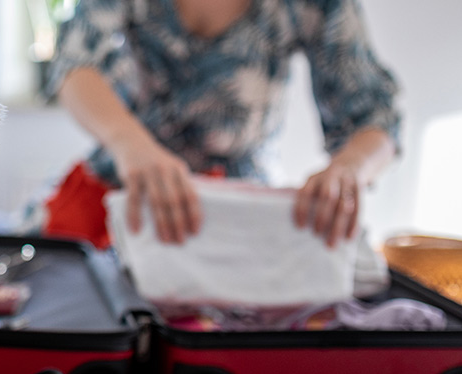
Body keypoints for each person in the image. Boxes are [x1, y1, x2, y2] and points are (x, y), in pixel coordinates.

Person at [42, 0, 401, 250]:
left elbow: (375, 115)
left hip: (241, 219)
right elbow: (75, 64)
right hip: (122, 198)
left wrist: (349, 171)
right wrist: (129, 142)